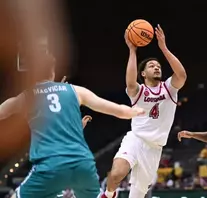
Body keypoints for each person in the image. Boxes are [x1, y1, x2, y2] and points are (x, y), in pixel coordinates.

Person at [0, 51, 145, 198]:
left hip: (51, 165)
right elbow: (118, 110)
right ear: (53, 70)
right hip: (83, 164)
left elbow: (2, 112)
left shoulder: (26, 97)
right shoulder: (75, 90)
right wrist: (136, 111)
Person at [102, 24, 187, 198]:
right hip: (136, 138)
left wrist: (163, 47)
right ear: (143, 73)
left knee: (138, 195)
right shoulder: (138, 91)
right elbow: (130, 82)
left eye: (158, 66)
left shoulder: (169, 89)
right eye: (151, 66)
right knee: (117, 173)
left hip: (154, 148)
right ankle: (109, 194)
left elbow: (182, 75)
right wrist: (132, 50)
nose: (157, 68)